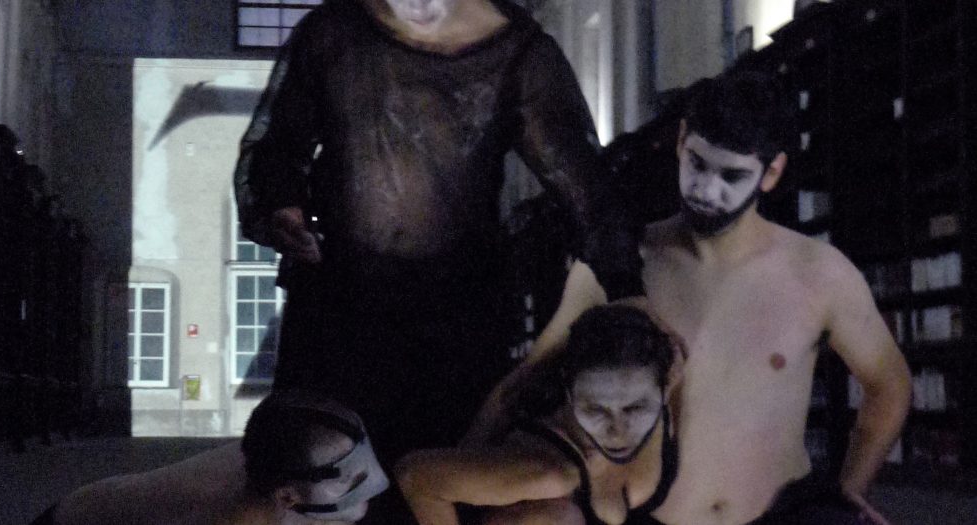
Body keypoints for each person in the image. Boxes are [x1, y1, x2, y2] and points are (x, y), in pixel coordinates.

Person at [476, 72, 912, 524]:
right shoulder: (620, 266)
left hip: (781, 515)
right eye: (697, 164)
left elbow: (889, 384)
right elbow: (527, 377)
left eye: (732, 175)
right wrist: (464, 465)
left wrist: (850, 489)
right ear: (682, 140)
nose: (706, 189)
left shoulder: (820, 272)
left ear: (771, 173)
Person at [232, 0, 623, 471]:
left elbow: (582, 185)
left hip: (456, 315)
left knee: (442, 466)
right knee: (324, 471)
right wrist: (282, 206)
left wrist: (626, 284)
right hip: (341, 304)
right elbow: (278, 145)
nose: (416, 5)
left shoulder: (520, 54)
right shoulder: (333, 34)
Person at [397, 304, 680, 525]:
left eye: (635, 408)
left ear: (665, 388)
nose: (617, 431)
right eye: (595, 410)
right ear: (570, 396)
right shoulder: (547, 473)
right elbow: (416, 477)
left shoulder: (668, 364)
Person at [31, 391, 388, 525]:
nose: (370, 481)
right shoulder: (239, 513)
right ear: (287, 496)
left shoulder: (286, 457)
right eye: (349, 479)